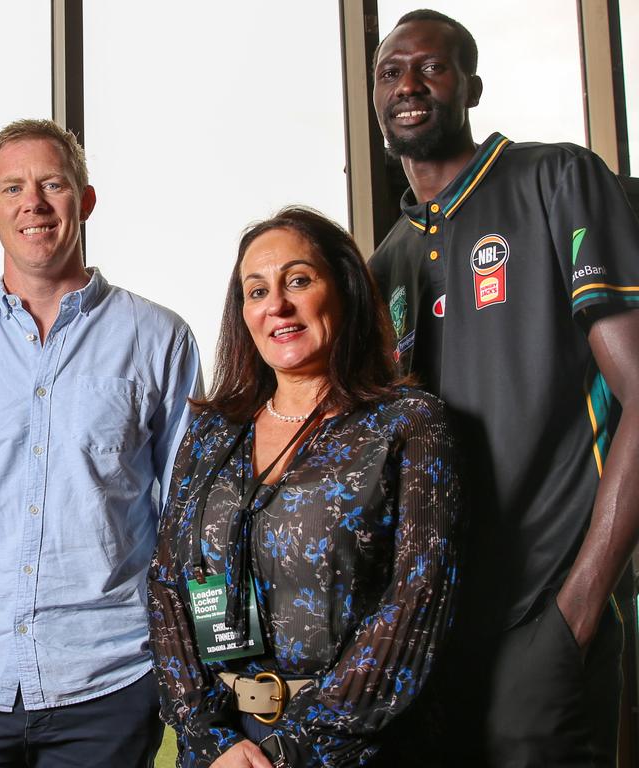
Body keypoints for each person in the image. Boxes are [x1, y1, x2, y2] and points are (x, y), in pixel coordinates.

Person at [369, 9, 639, 766]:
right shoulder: (385, 261)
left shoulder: (556, 178)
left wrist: (579, 608)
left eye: (433, 66)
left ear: (472, 86)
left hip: (543, 611)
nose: (409, 84)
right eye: (391, 71)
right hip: (432, 631)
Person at [0, 118, 202, 768]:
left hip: (105, 680)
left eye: (52, 184)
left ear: (85, 200)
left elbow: (185, 510)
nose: (32, 203)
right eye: (13, 188)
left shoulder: (160, 340)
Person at [149, 206, 461, 767]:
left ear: (342, 289)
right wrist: (209, 736)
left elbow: (419, 597)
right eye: (256, 290)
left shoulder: (408, 424)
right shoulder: (212, 431)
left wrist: (291, 750)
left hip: (348, 750)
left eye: (298, 280)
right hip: (222, 750)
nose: (277, 305)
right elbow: (169, 582)